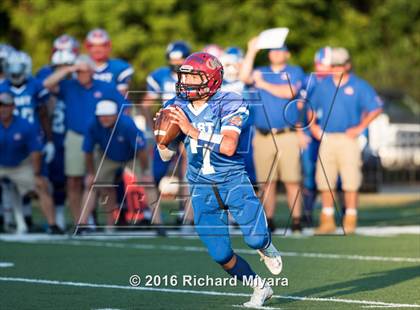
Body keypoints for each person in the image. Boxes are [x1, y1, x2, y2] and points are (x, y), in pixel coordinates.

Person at [157, 52, 282, 307]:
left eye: (193, 77)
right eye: (185, 76)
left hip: (231, 180)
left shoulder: (232, 102)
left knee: (255, 239)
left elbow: (228, 146)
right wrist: (162, 139)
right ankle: (259, 288)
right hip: (200, 185)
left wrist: (192, 131)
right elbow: (165, 153)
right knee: (220, 254)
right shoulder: (176, 104)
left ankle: (266, 246)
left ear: (211, 80)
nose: (186, 82)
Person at [43, 54, 128, 224]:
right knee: (73, 181)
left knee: (102, 182)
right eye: (79, 71)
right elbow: (46, 84)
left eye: (84, 70)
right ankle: (79, 223)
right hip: (75, 136)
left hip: (99, 137)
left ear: (91, 70)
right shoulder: (69, 86)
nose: (81, 74)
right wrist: (69, 68)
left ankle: (109, 225)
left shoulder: (105, 86)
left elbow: (123, 109)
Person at [308, 47, 383, 234]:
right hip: (327, 138)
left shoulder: (359, 85)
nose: (336, 68)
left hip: (349, 140)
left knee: (351, 181)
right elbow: (309, 106)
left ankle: (350, 217)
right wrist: (313, 126)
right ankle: (327, 220)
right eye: (333, 64)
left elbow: (376, 108)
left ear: (348, 65)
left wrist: (360, 127)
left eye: (340, 65)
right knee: (325, 181)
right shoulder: (323, 86)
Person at [240, 37, 305, 233]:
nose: (276, 54)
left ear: (287, 53)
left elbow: (289, 92)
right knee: (267, 182)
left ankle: (297, 220)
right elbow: (244, 77)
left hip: (286, 134)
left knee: (292, 180)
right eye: (273, 51)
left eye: (280, 50)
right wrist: (251, 50)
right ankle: (269, 219)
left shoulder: (294, 71)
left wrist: (264, 84)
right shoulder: (260, 71)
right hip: (263, 134)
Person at [0, 50, 55, 229]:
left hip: (30, 144)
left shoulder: (36, 86)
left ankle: (50, 223)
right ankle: (9, 219)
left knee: (39, 181)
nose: (15, 73)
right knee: (9, 186)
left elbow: (44, 113)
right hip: (6, 146)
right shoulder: (3, 87)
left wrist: (49, 140)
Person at [142, 41, 192, 228]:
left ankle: (186, 217)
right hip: (168, 131)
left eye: (180, 60)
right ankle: (154, 217)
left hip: (187, 128)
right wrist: (153, 127)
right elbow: (146, 104)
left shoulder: (194, 77)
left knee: (188, 174)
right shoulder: (160, 76)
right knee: (155, 173)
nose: (177, 65)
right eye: (174, 61)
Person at [78, 100, 149, 231]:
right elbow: (87, 151)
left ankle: (157, 223)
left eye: (108, 115)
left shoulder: (127, 124)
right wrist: (91, 173)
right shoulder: (93, 125)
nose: (104, 118)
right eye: (102, 115)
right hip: (109, 156)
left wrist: (145, 171)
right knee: (93, 184)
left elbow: (141, 149)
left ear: (116, 115)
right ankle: (83, 224)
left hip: (132, 156)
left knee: (149, 183)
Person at [0, 92, 62, 234]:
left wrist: (36, 173)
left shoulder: (25, 125)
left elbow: (35, 152)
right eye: (0, 106)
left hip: (20, 165)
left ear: (13, 107)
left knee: (41, 185)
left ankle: (53, 225)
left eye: (6, 105)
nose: (3, 109)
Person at [36, 34, 80, 230]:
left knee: (75, 178)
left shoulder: (78, 76)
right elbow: (45, 86)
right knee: (53, 177)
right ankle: (58, 216)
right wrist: (65, 69)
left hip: (73, 134)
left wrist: (72, 69)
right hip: (52, 133)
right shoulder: (47, 73)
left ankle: (85, 218)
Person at [298, 47, 333, 226]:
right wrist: (301, 130)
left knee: (333, 175)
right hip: (310, 134)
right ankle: (308, 212)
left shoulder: (335, 81)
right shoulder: (308, 81)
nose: (322, 68)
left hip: (331, 133)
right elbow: (299, 107)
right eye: (320, 64)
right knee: (309, 173)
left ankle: (334, 213)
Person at [220, 47, 257, 186]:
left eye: (234, 64)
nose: (231, 68)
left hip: (246, 129)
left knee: (249, 166)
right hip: (225, 129)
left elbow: (245, 76)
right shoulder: (218, 82)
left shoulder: (245, 79)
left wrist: (251, 51)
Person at [85, 28, 134, 95]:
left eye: (102, 45)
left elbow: (121, 98)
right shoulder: (79, 67)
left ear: (109, 46)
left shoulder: (120, 67)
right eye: (93, 46)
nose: (97, 49)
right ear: (87, 46)